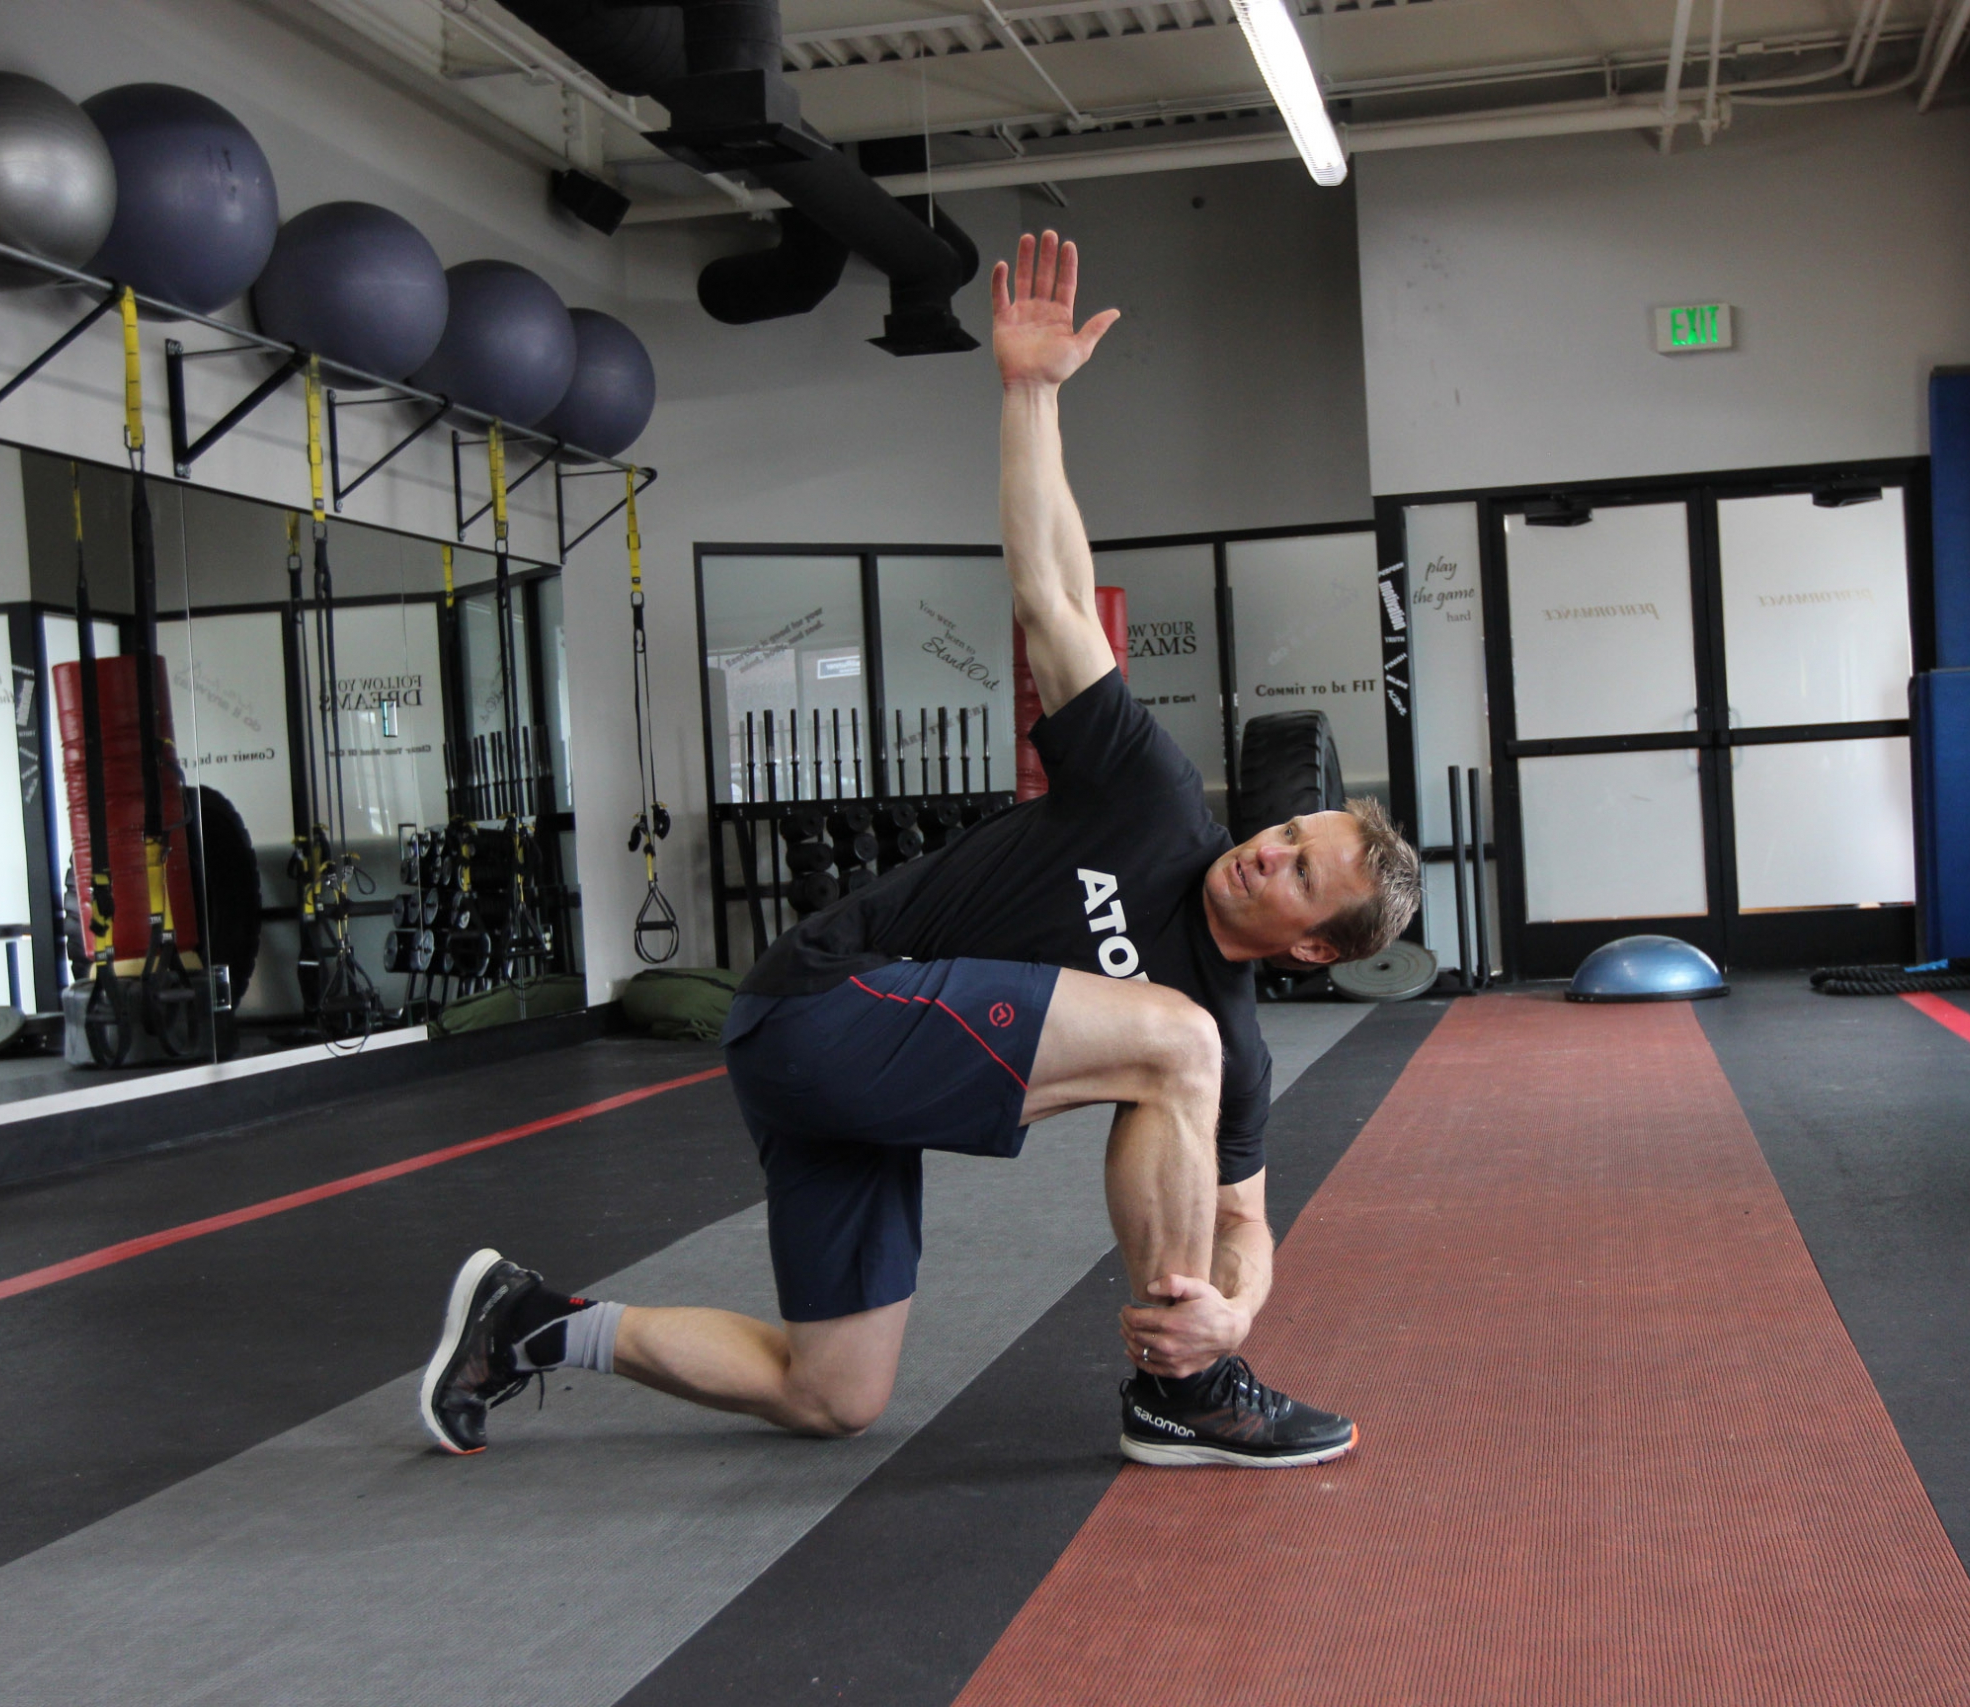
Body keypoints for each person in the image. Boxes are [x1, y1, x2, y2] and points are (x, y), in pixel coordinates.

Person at [421, 230, 1422, 1468]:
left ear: (1314, 947)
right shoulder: (1153, 803)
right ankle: (1183, 1394)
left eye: (1297, 872)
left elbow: (1241, 1218)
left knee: (832, 1393)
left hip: (856, 1099)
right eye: (1283, 832)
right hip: (817, 1003)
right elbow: (1054, 593)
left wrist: (1235, 1301)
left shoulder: (1236, 1051)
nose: (1265, 853)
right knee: (1171, 1038)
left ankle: (527, 1326)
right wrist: (1028, 395)